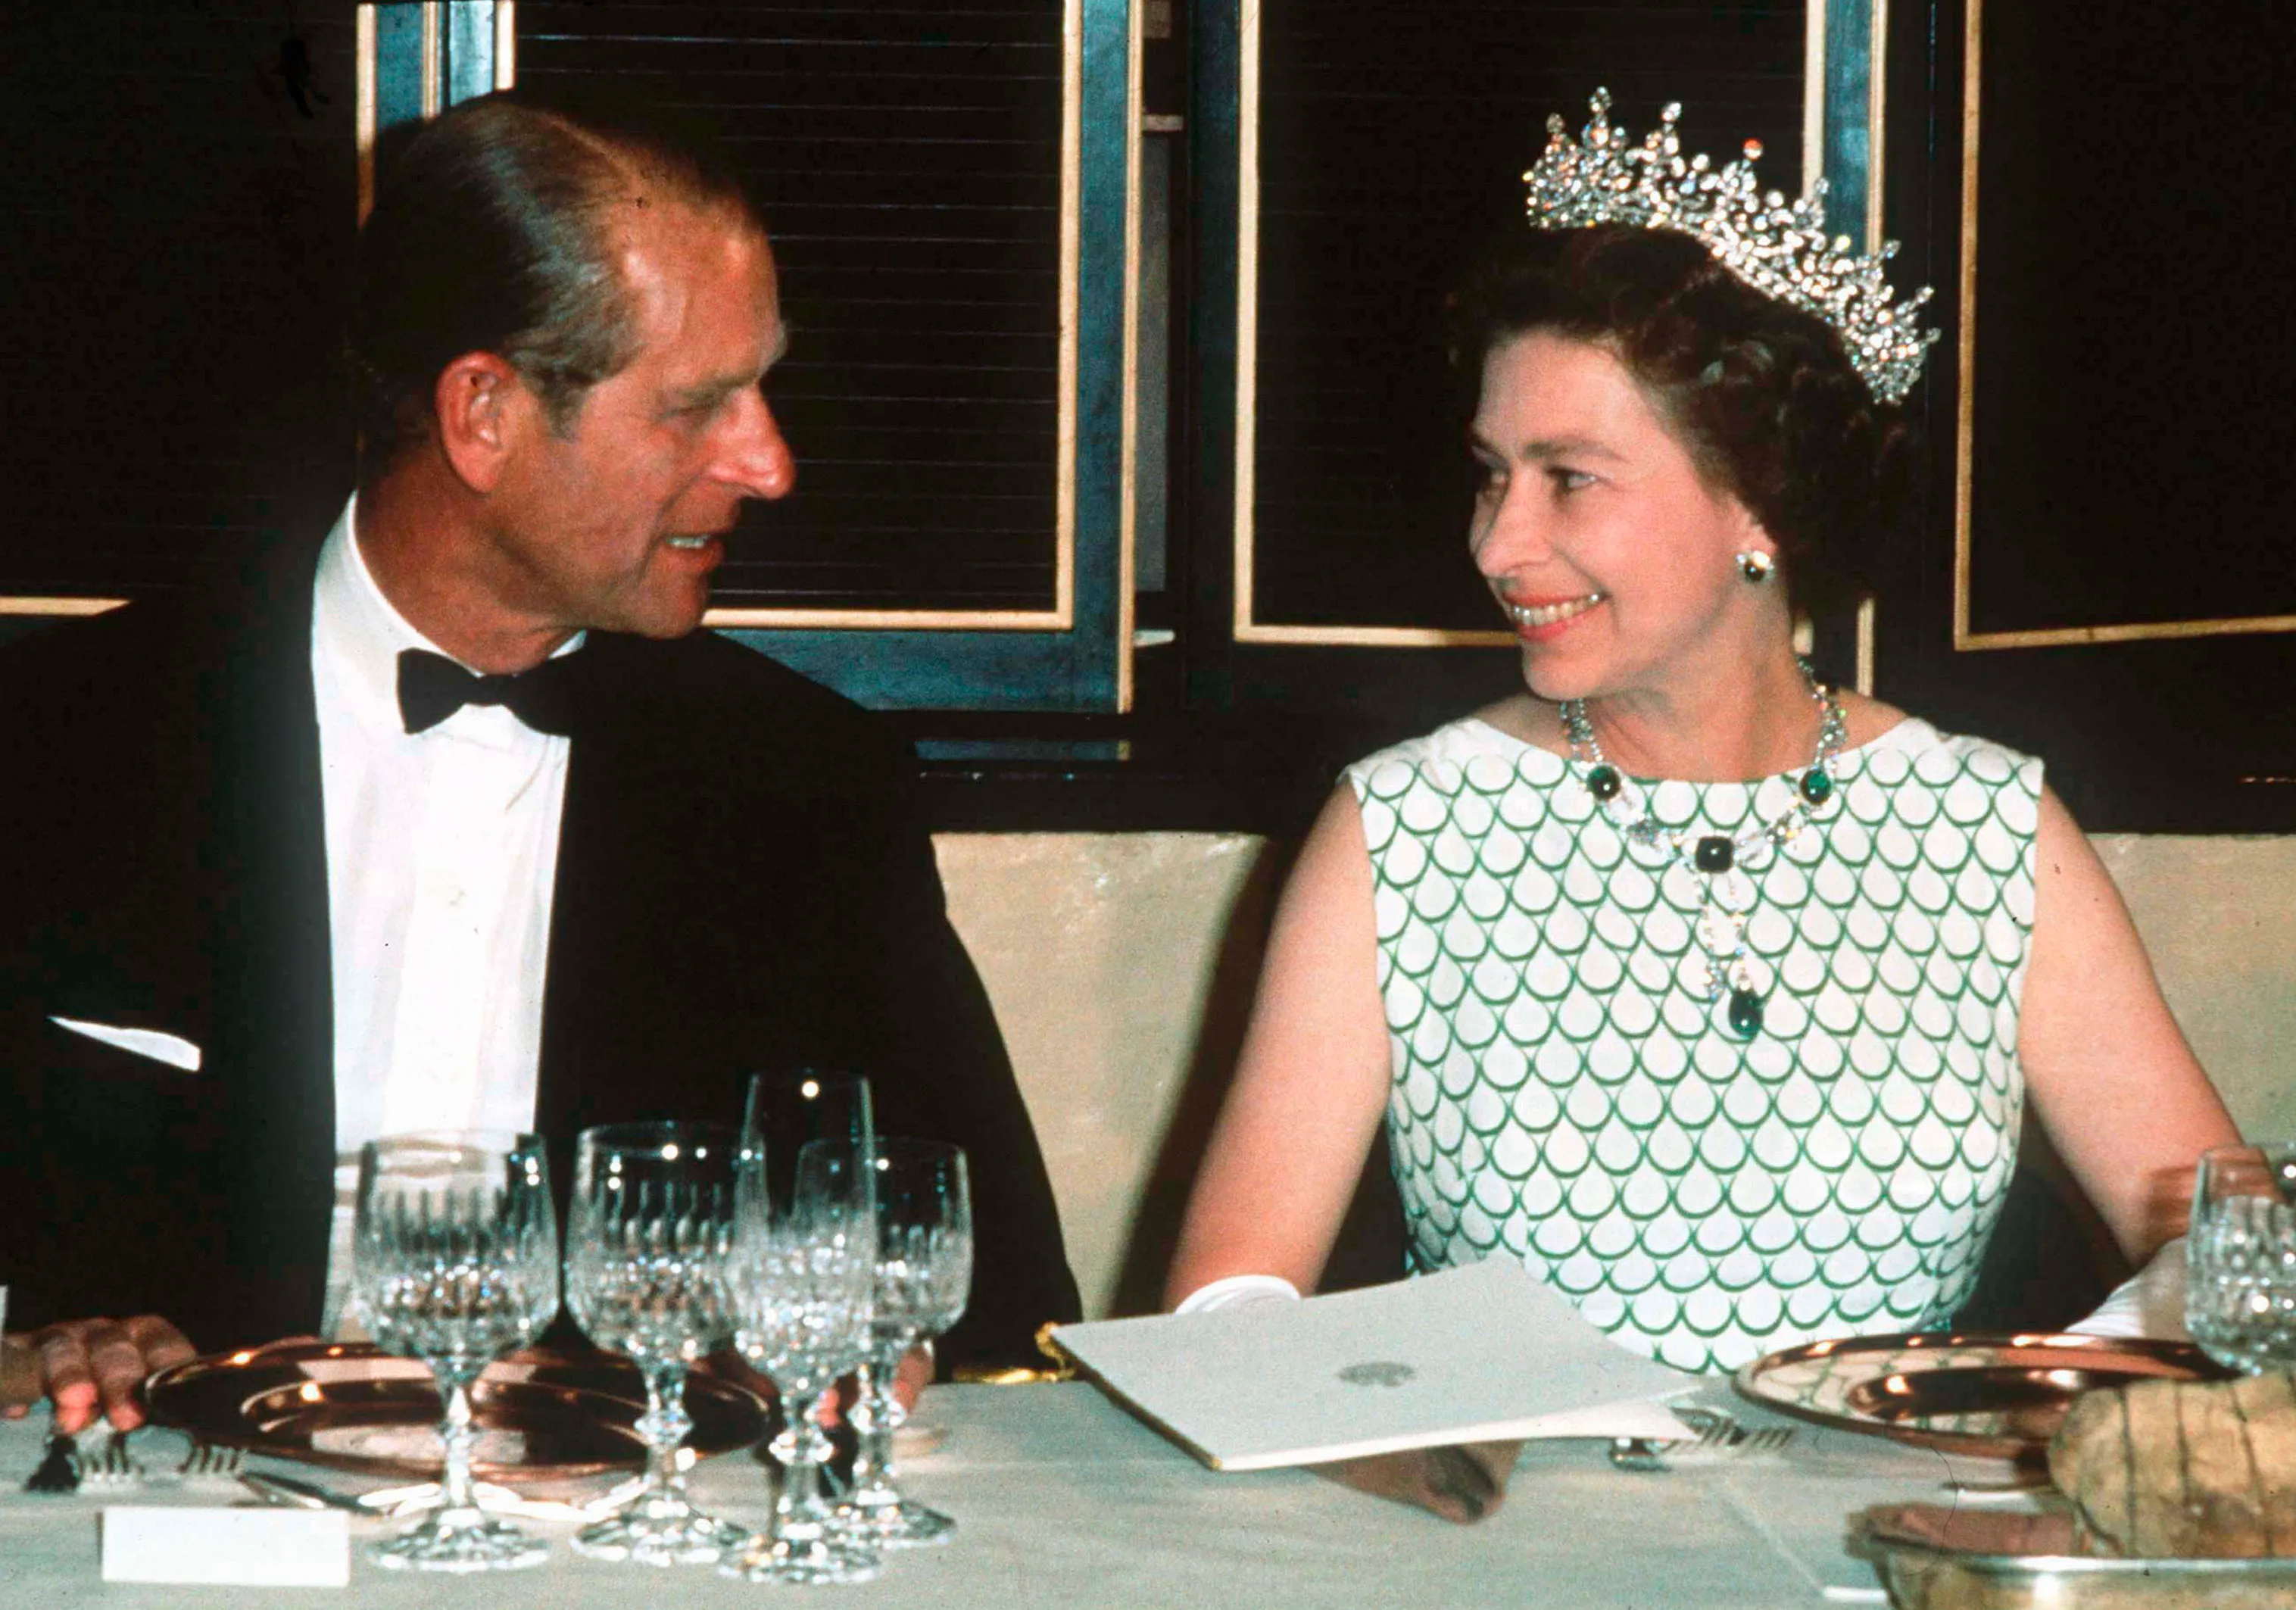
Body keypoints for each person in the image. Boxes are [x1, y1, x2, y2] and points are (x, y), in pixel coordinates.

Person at [0, 89, 1080, 1432]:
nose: (771, 463)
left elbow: (1011, 1312)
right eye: (699, 407)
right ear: (483, 415)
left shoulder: (808, 788)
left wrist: (871, 1359)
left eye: (765, 388)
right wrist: (27, 1340)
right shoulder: (53, 738)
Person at [1167, 93, 2235, 1381]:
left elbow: (2236, 1263)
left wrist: (2022, 1406)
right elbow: (1225, 1310)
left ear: (1762, 509)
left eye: (1569, 476)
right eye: (1491, 470)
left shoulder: (1987, 828)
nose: (1498, 543)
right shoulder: (1402, 829)